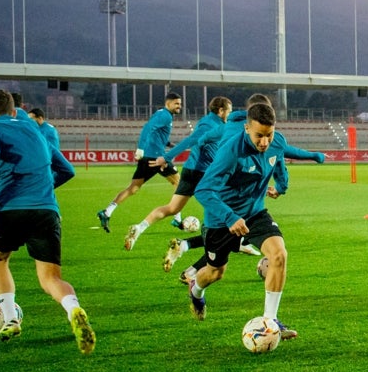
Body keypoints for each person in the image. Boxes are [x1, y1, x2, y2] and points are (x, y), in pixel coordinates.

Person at [0, 88, 95, 354]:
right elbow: (67, 170)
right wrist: (41, 189)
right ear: (14, 111)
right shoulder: (34, 129)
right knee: (50, 278)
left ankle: (10, 319)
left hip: (9, 208)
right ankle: (73, 309)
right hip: (46, 209)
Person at [167, 93, 326, 283]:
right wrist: (312, 158)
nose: (265, 140)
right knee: (216, 267)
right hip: (222, 203)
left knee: (271, 250)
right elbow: (287, 153)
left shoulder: (235, 129)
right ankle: (193, 273)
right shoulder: (234, 143)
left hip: (249, 209)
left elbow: (202, 140)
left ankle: (187, 252)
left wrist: (201, 156)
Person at [189, 102, 298, 339]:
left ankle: (270, 322)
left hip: (255, 213)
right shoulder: (231, 151)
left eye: (268, 135)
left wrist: (281, 186)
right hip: (221, 219)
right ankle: (195, 291)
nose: (264, 142)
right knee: (215, 272)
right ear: (247, 128)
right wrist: (229, 216)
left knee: (279, 254)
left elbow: (278, 163)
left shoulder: (276, 141)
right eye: (259, 136)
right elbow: (203, 190)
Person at [124, 96, 232, 252]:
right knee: (227, 203)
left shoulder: (213, 121)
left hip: (192, 171)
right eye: (229, 110)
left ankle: (139, 228)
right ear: (221, 110)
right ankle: (233, 242)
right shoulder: (210, 124)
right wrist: (166, 157)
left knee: (172, 208)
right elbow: (190, 141)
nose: (231, 113)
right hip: (201, 173)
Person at [96, 93, 183, 233]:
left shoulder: (161, 113)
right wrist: (140, 148)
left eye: (180, 103)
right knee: (179, 183)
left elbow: (156, 133)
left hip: (148, 157)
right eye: (177, 103)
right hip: (156, 158)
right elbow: (147, 129)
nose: (180, 106)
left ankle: (107, 212)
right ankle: (177, 218)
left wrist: (168, 143)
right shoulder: (165, 115)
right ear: (168, 103)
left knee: (133, 188)